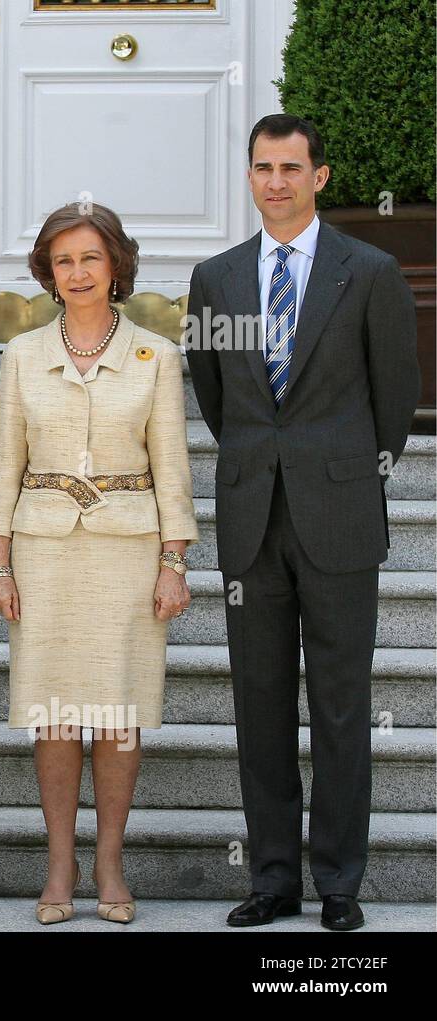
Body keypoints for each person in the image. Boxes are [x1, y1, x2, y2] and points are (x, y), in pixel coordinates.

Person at [186, 114, 420, 931]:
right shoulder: (214, 278)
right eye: (262, 167)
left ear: (320, 176)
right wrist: (265, 460)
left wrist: (343, 470)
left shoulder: (373, 271)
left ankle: (339, 883)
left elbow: (395, 401)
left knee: (342, 703)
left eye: (291, 167)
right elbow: (215, 397)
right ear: (248, 176)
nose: (275, 182)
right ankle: (273, 878)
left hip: (342, 513)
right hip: (253, 516)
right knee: (258, 701)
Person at [0, 201, 197, 925]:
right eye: (64, 260)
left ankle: (109, 859)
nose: (77, 272)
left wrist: (174, 560)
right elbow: (3, 464)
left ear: (117, 267)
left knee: (119, 715)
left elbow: (173, 467)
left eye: (91, 258)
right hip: (42, 553)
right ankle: (59, 866)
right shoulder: (21, 354)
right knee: (53, 714)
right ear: (48, 269)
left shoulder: (155, 356)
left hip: (129, 554)